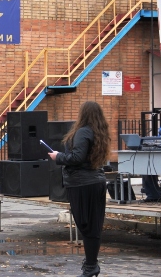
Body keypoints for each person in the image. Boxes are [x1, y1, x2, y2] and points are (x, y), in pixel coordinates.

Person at [48, 101, 110, 277]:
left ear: (84, 113)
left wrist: (58, 156)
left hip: (82, 184)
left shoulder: (83, 131)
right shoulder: (99, 132)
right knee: (93, 225)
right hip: (95, 181)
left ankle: (91, 266)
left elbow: (77, 157)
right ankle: (91, 265)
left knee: (86, 225)